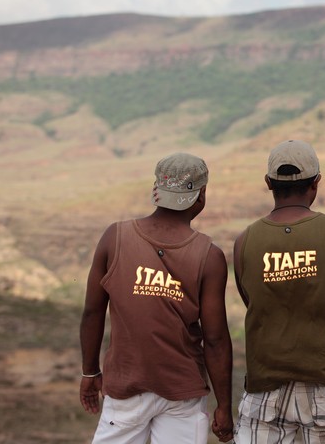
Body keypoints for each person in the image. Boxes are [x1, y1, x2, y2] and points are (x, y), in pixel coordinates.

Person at [79, 152, 235, 444]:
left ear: (157, 191)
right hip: (183, 393)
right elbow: (215, 339)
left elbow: (92, 312)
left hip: (125, 388)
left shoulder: (115, 238)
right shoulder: (209, 256)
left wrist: (90, 372)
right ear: (201, 196)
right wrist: (224, 407)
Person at [232, 139, 325, 443]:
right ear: (316, 184)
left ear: (268, 183)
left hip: (264, 391)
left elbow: (251, 299)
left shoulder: (245, 241)